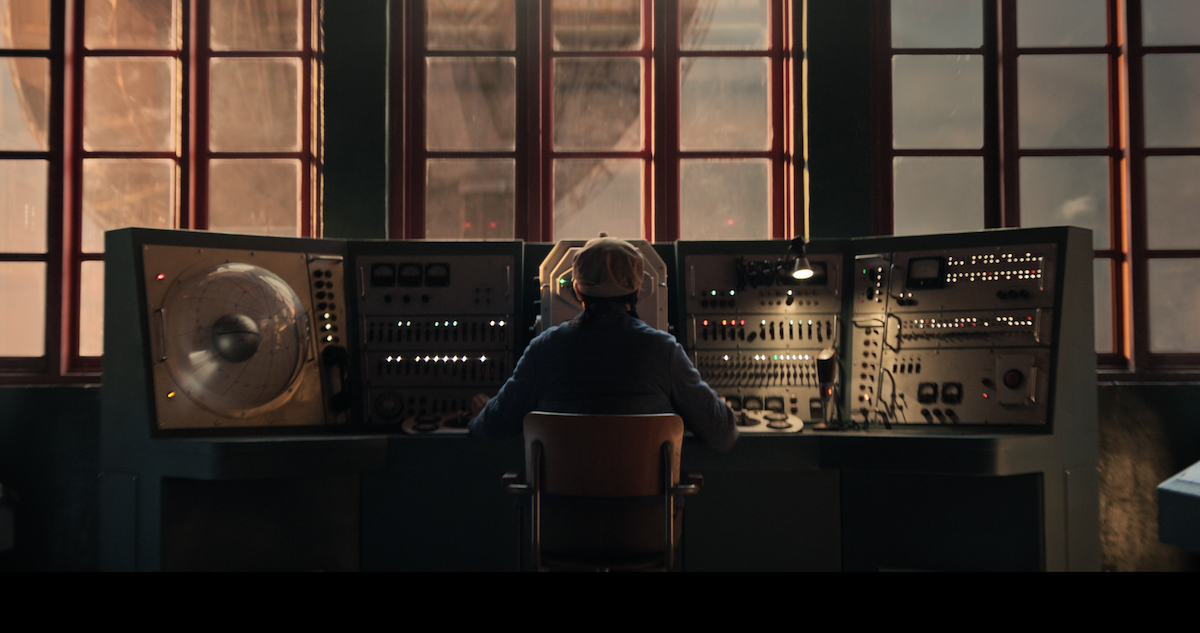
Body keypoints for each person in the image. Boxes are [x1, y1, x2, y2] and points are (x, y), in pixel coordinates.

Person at [467, 237, 738, 452]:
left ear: (576, 291)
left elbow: (491, 429)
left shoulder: (544, 349)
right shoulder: (663, 351)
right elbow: (721, 435)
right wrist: (719, 409)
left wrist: (484, 412)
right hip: (645, 517)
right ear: (639, 290)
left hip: (559, 518)